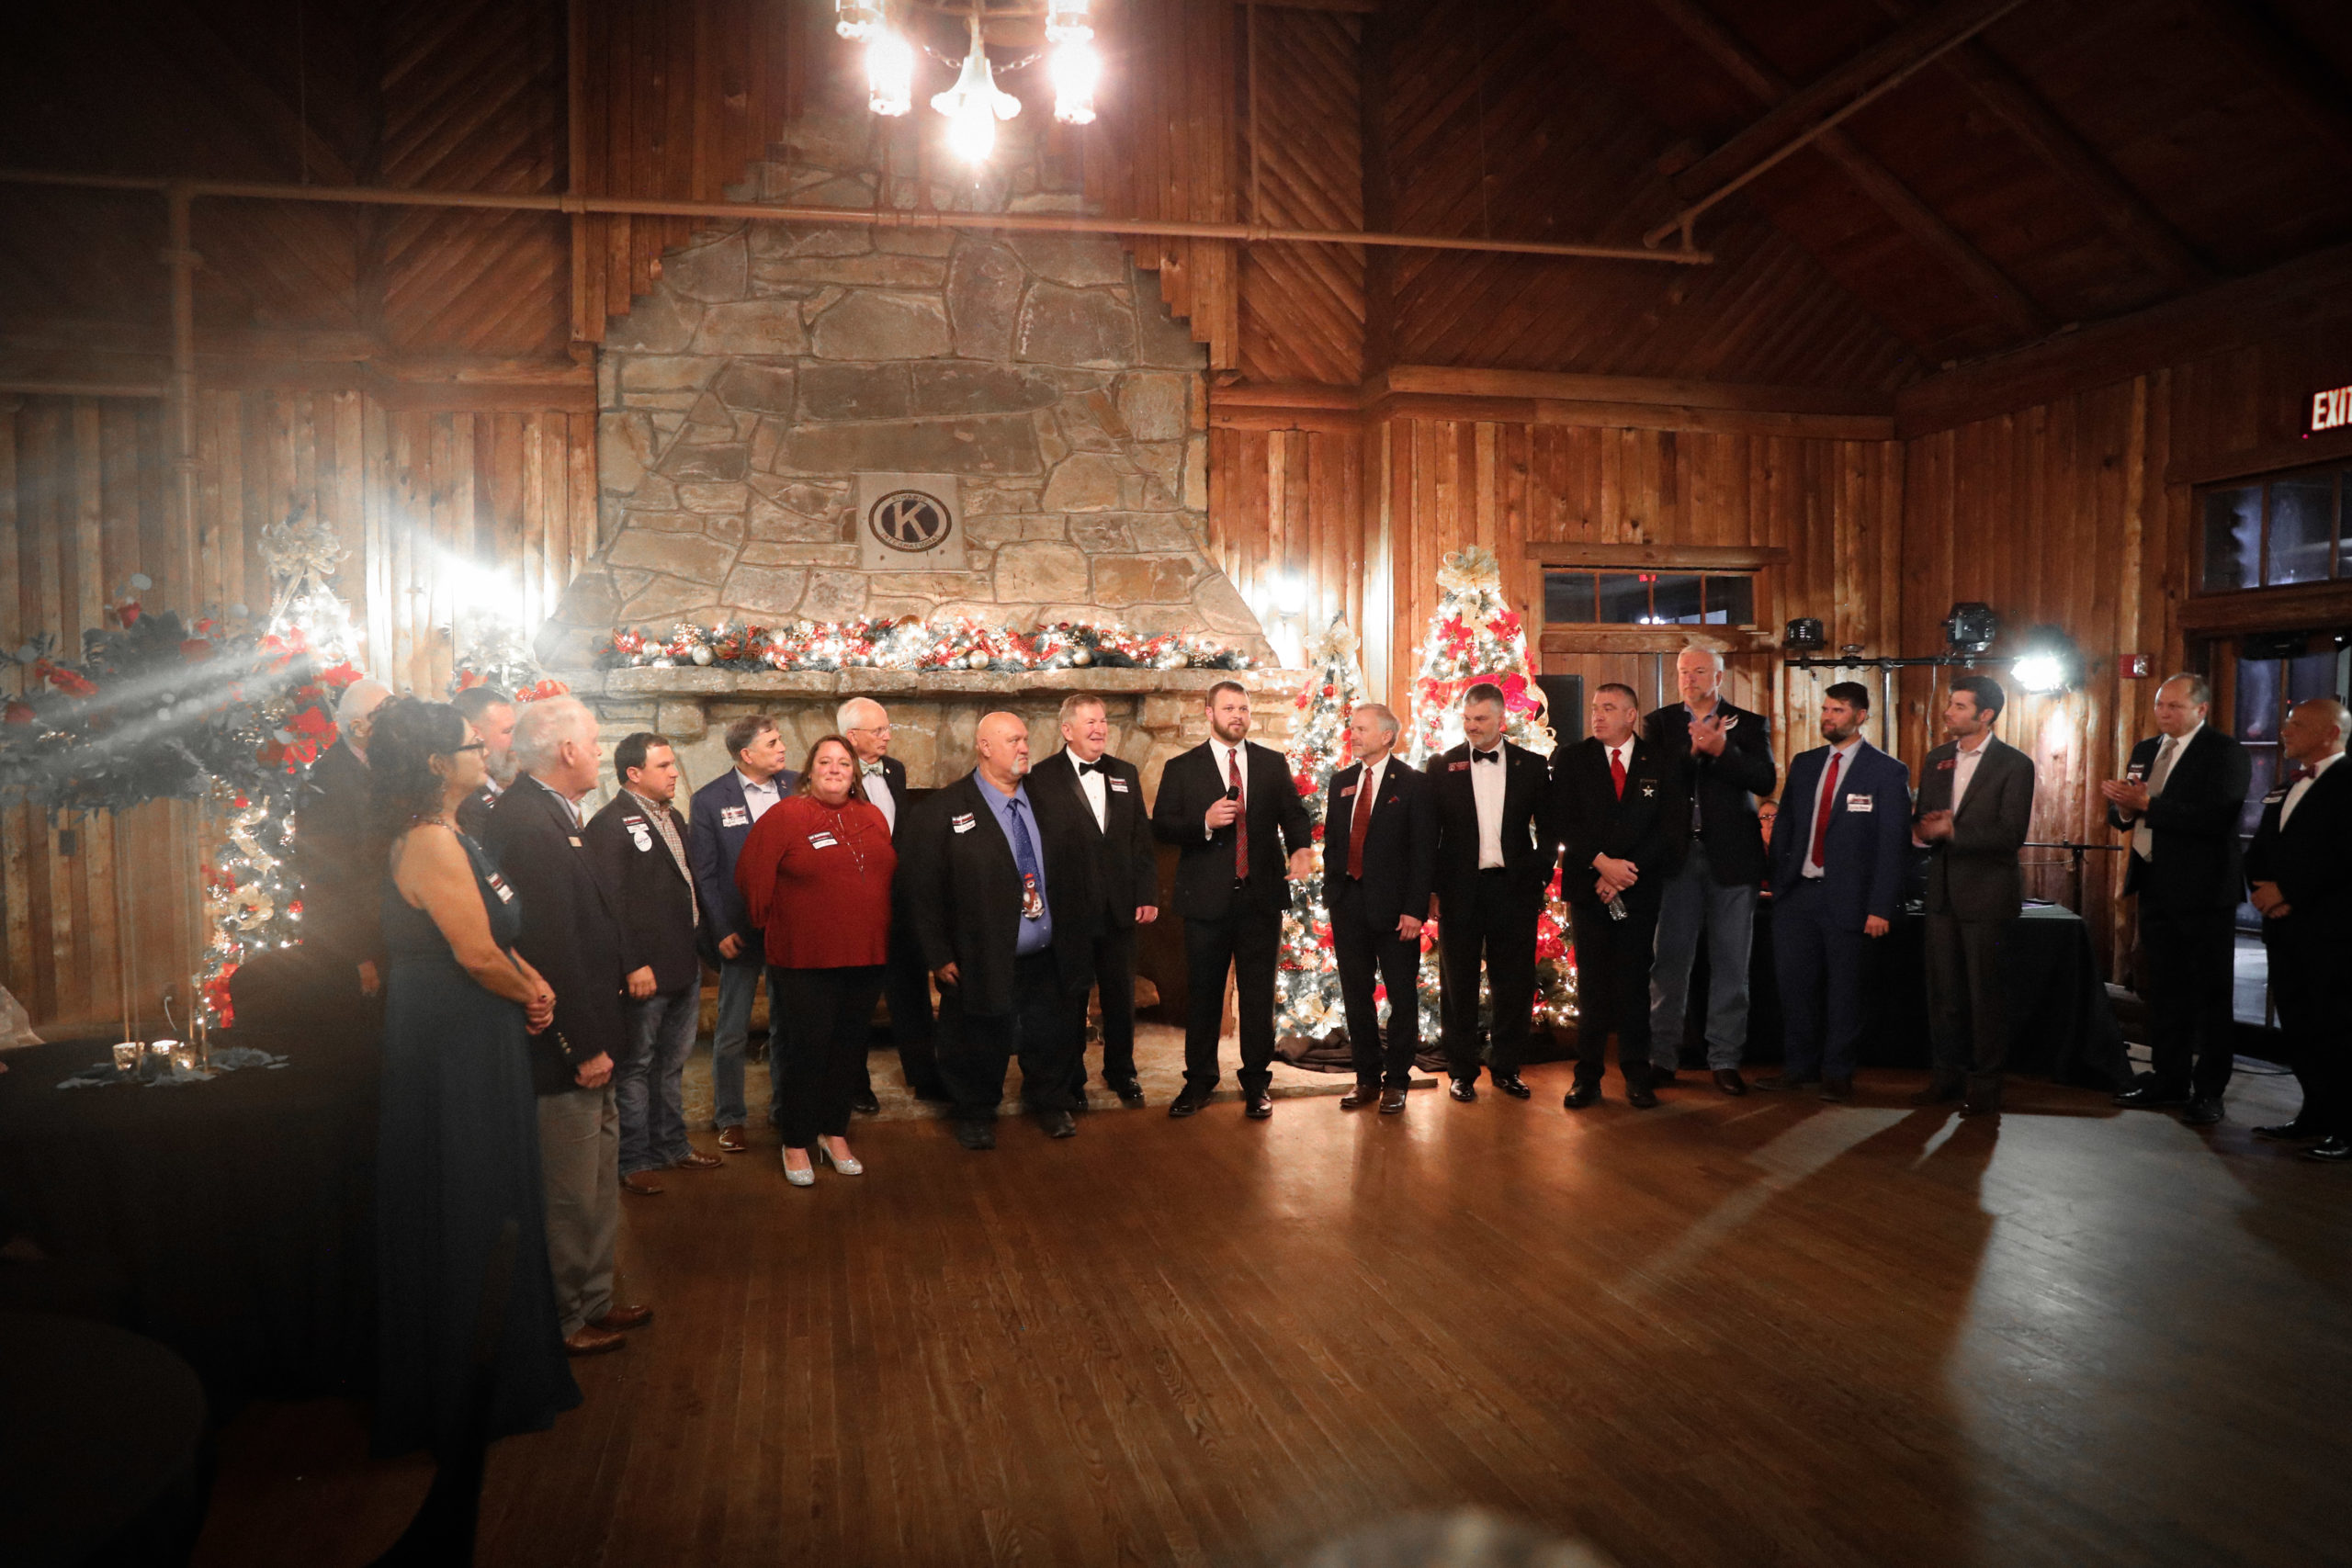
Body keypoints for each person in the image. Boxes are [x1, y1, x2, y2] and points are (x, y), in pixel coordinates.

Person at [367, 696, 580, 1459]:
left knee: (496, 1189)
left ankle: (512, 1366)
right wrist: (531, 993)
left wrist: (533, 980)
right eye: (470, 745)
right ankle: (470, 1385)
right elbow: (475, 953)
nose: (484, 753)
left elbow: (498, 938)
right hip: (450, 1037)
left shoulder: (458, 830)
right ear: (436, 763)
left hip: (480, 1024)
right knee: (468, 1192)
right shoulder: (428, 841)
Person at [482, 696, 645, 1357]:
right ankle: (566, 1317)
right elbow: (552, 945)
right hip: (566, 1048)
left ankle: (596, 1299)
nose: (600, 752)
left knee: (598, 1182)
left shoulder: (554, 812)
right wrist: (584, 1045)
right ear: (568, 750)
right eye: (595, 741)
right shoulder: (526, 820)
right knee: (571, 1192)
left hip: (593, 1032)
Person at [909, 712, 1099, 1148]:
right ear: (985, 747)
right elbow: (923, 891)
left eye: (1025, 739)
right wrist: (938, 954)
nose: (1025, 748)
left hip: (1050, 950)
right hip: (981, 954)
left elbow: (1077, 872)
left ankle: (1049, 1101)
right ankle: (975, 1112)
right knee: (977, 1038)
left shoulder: (1052, 800)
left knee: (1051, 1033)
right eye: (1013, 740)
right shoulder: (944, 809)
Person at [737, 734, 897, 1183]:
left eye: (843, 763)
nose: (834, 769)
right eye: (825, 762)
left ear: (854, 773)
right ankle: (796, 1141)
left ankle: (834, 1131)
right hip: (805, 959)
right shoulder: (786, 815)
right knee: (806, 1052)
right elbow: (750, 875)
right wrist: (772, 926)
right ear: (809, 771)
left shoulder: (872, 816)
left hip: (866, 955)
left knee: (849, 1050)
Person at [1151, 681, 1315, 1120]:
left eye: (1243, 708)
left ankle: (1257, 1083)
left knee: (1258, 998)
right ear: (1209, 713)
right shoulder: (1181, 767)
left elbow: (1294, 814)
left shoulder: (1271, 763)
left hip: (1260, 899)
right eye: (1228, 708)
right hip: (1205, 900)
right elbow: (1162, 825)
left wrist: (1301, 848)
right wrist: (1203, 822)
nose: (1238, 716)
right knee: (1203, 995)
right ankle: (1199, 1082)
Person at [2101, 673, 2252, 1127]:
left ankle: (2209, 1089)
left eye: (2175, 707)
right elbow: (2126, 813)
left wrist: (2148, 805)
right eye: (2160, 705)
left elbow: (2217, 817)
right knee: (2164, 989)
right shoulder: (2147, 749)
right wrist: (2123, 808)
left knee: (2210, 993)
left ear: (2201, 710)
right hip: (2155, 882)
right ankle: (2169, 1077)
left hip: (2204, 890)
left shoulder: (2223, 751)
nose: (2164, 713)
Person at [1759, 682, 1913, 1102]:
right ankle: (1798, 1069)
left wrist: (1881, 906)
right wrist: (1781, 882)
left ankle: (1838, 1073)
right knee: (1795, 989)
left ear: (1861, 716)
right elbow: (1786, 826)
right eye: (1825, 709)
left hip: (1852, 900)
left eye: (1838, 710)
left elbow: (1893, 844)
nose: (1828, 717)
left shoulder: (1886, 771)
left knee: (1845, 992)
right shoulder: (1806, 763)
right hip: (1798, 896)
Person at [584, 732, 720, 1196]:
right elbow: (611, 905)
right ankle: (635, 1159)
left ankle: (672, 1146)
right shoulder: (609, 824)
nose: (674, 772)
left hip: (682, 963)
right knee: (637, 1066)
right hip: (645, 973)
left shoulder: (672, 816)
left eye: (673, 763)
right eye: (663, 766)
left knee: (672, 1063)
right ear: (634, 773)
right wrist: (633, 963)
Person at [1644, 646, 1776, 1096]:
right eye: (1684, 672)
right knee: (1668, 963)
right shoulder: (1661, 724)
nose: (1690, 679)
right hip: (1676, 858)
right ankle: (1662, 1058)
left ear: (1719, 677)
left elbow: (1764, 780)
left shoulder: (1749, 723)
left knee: (1731, 965)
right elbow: (1655, 781)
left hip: (1733, 860)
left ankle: (1725, 1060)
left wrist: (1723, 750)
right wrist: (1693, 749)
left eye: (1700, 671)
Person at [1554, 683, 1689, 1110]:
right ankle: (1587, 1077)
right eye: (1595, 708)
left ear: (1631, 715)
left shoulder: (1661, 760)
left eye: (1608, 708)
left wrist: (1624, 872)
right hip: (1589, 887)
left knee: (1634, 984)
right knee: (1592, 987)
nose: (1597, 715)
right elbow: (1563, 820)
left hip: (1638, 887)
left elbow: (1671, 827)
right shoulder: (1573, 758)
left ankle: (1636, 1075)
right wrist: (1601, 863)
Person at [1425, 682, 1556, 1102]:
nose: (1472, 726)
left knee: (1513, 984)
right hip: (1459, 891)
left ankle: (1507, 1068)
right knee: (1457, 986)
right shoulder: (1441, 766)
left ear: (1501, 719)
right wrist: (1432, 890)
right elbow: (1430, 834)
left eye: (1480, 719)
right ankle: (1461, 1072)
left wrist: (1537, 876)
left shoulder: (1531, 765)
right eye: (1467, 719)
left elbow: (1550, 829)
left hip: (1513, 890)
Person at [1912, 675, 2037, 1116]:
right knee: (1944, 994)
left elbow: (2010, 834)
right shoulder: (1937, 758)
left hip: (1986, 895)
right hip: (1942, 893)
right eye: (1950, 703)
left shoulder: (2014, 764)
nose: (1948, 712)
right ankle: (1946, 1077)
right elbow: (1925, 817)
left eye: (1960, 706)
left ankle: (1985, 1087)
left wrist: (1953, 831)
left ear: (1986, 715)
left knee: (1985, 996)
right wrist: (1923, 829)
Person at [1028, 694, 1160, 1108]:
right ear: (1067, 730)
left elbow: (1140, 840)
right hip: (1068, 910)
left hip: (1120, 907)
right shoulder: (1040, 777)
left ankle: (1122, 1071)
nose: (1100, 728)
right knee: (1071, 998)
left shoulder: (1125, 772)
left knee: (1120, 997)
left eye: (1103, 721)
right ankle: (1071, 1079)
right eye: (1090, 722)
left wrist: (1147, 893)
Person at [2243, 697, 2349, 1159]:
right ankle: (2314, 1113)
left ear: (2331, 733)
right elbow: (2262, 846)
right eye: (2286, 723)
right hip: (2284, 928)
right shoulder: (2288, 784)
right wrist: (2260, 888)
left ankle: (2347, 1127)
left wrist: (2287, 893)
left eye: (2298, 725)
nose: (2285, 731)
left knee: (2336, 1026)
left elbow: (2342, 857)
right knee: (2299, 1024)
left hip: (2330, 930)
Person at [687, 715, 799, 1152]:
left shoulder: (798, 786)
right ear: (746, 754)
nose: (782, 747)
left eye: (781, 739)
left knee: (786, 1026)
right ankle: (731, 1117)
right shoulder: (709, 800)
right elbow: (705, 874)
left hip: (790, 930)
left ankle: (785, 1109)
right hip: (739, 931)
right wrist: (719, 929)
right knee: (732, 1030)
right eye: (772, 742)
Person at [1324, 703, 1436, 1112]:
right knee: (1357, 997)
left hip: (1396, 913)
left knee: (1402, 998)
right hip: (1348, 906)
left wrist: (1415, 909)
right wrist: (1333, 892)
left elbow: (1424, 852)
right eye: (1352, 728)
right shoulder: (1341, 782)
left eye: (1361, 729)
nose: (1352, 735)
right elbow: (1333, 842)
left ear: (1387, 736)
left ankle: (1398, 1082)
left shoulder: (1414, 783)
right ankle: (1367, 1079)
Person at [839, 696, 943, 1107]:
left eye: (887, 728)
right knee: (856, 998)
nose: (887, 736)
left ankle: (925, 1074)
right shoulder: (835, 773)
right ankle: (854, 1084)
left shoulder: (894, 770)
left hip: (899, 901)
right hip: (856, 903)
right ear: (852, 737)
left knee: (912, 991)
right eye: (878, 730)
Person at [295, 677, 392, 1005]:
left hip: (385, 932)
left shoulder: (384, 767)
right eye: (386, 717)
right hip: (350, 948)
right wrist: (360, 956)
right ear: (357, 727)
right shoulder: (324, 781)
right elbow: (327, 874)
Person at [450, 684, 517, 841]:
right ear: (475, 735)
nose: (515, 740)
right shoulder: (466, 801)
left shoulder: (492, 786)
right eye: (507, 731)